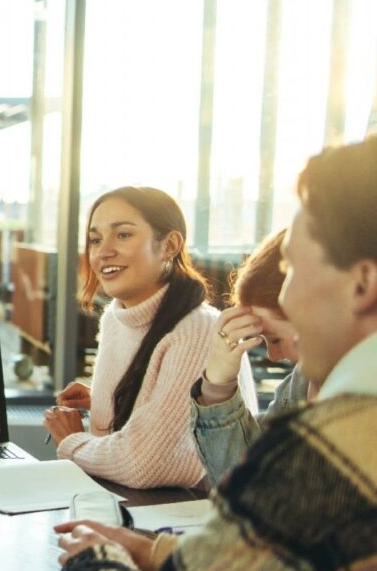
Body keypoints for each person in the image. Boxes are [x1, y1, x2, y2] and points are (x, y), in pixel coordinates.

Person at [53, 137, 377, 571]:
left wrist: (93, 559)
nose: (286, 303)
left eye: (295, 269)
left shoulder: (335, 451)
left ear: (363, 284)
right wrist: (153, 552)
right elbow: (292, 568)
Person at [43, 186, 256, 488]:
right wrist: (109, 398)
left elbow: (143, 464)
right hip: (132, 507)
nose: (104, 251)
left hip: (191, 519)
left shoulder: (197, 331)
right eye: (95, 239)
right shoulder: (116, 319)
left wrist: (70, 440)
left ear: (169, 245)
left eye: (123, 235)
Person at [191, 228, 316, 483]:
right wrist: (218, 386)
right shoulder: (302, 382)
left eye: (276, 339)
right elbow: (242, 481)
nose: (273, 356)